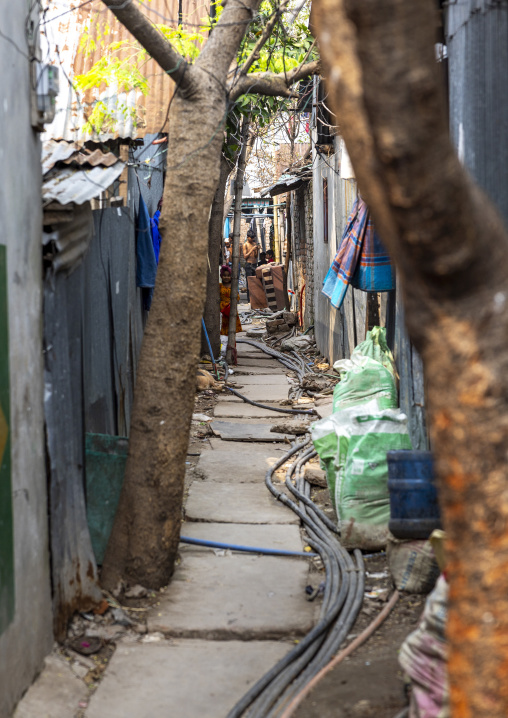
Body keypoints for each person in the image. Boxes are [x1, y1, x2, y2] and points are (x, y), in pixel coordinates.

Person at [220, 265, 242, 336]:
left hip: (231, 310)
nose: (226, 277)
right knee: (224, 331)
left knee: (232, 330)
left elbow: (237, 297)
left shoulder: (233, 286)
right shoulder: (219, 286)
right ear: (221, 276)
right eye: (224, 275)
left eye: (228, 275)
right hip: (223, 311)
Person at [242, 229, 259, 301]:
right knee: (249, 282)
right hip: (248, 265)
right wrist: (252, 249)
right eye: (251, 238)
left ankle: (255, 299)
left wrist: (256, 250)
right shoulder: (245, 244)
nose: (252, 239)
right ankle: (249, 299)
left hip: (254, 264)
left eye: (253, 238)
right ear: (248, 237)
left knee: (255, 281)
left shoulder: (254, 244)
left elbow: (255, 256)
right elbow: (245, 256)